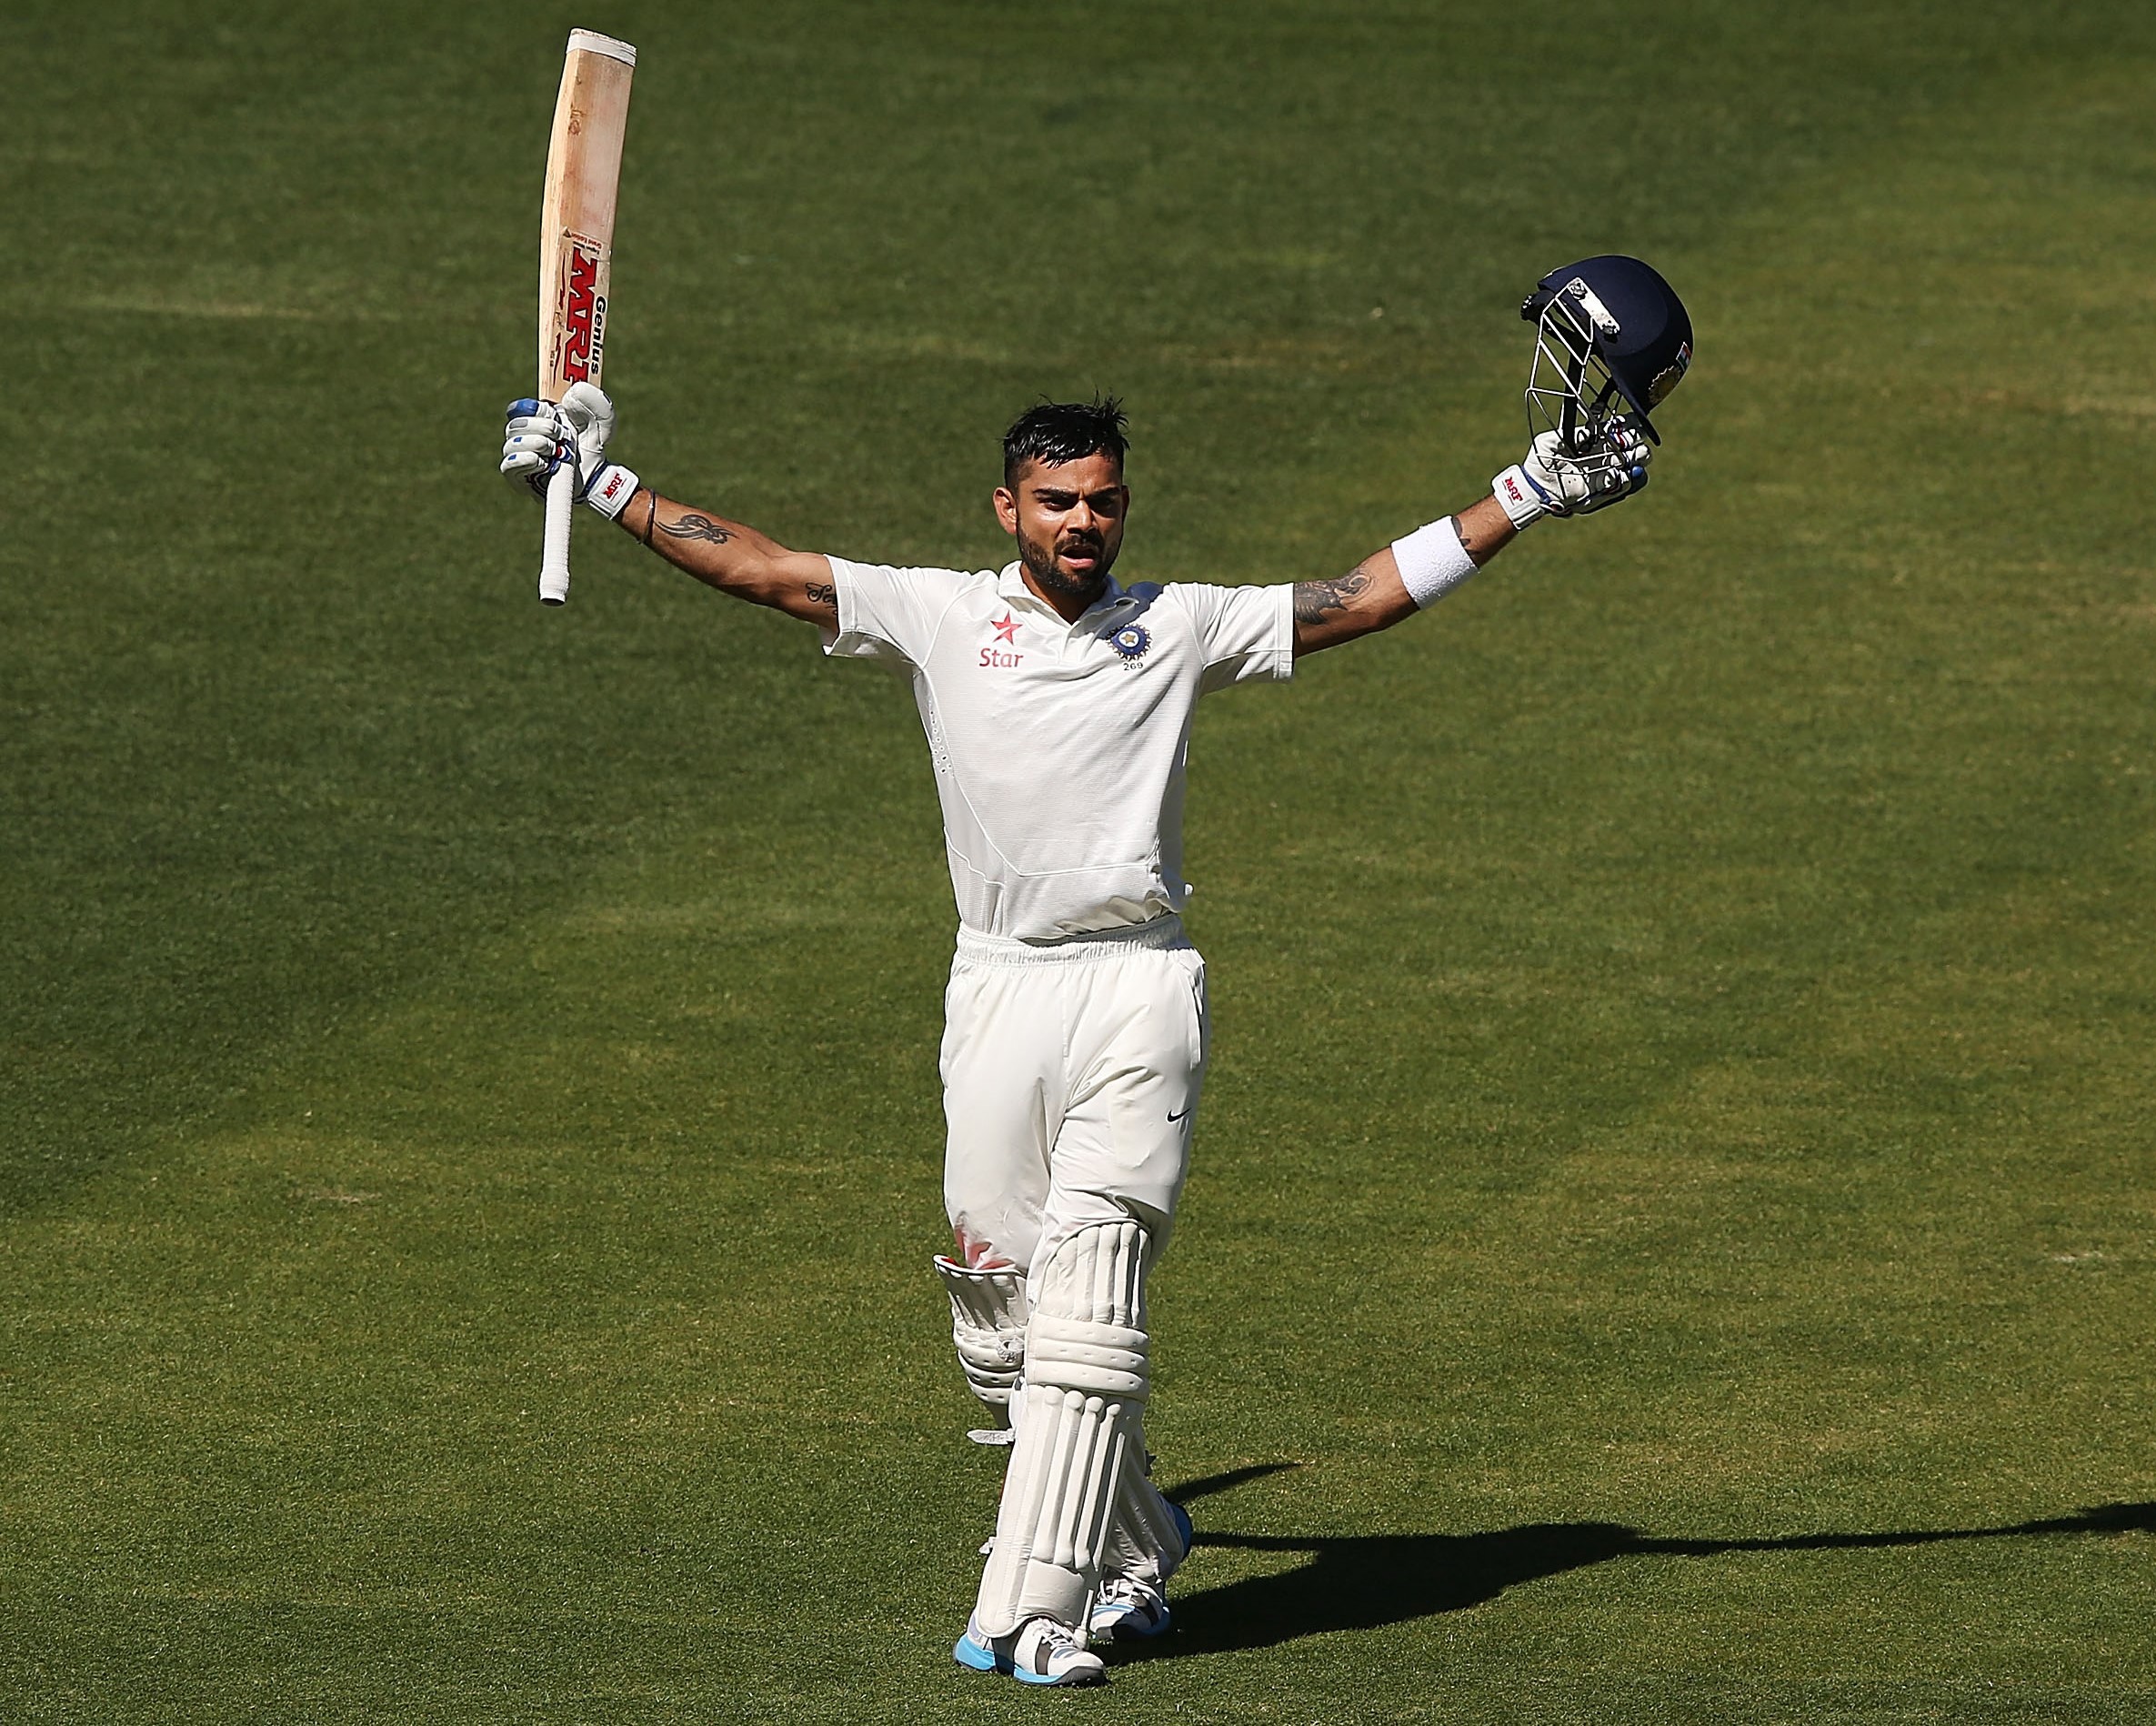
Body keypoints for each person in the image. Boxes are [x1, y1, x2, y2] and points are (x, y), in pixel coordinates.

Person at [496, 273, 1674, 1684]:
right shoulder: (939, 615)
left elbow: (1355, 595)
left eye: (1103, 500)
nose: (1082, 522)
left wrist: (1526, 494)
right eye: (1057, 501)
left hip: (1136, 985)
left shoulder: (1174, 624)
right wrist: (602, 473)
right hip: (995, 987)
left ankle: (1030, 1615)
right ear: (1010, 509)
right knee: (998, 1305)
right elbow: (766, 566)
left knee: (1095, 1280)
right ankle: (1135, 1541)